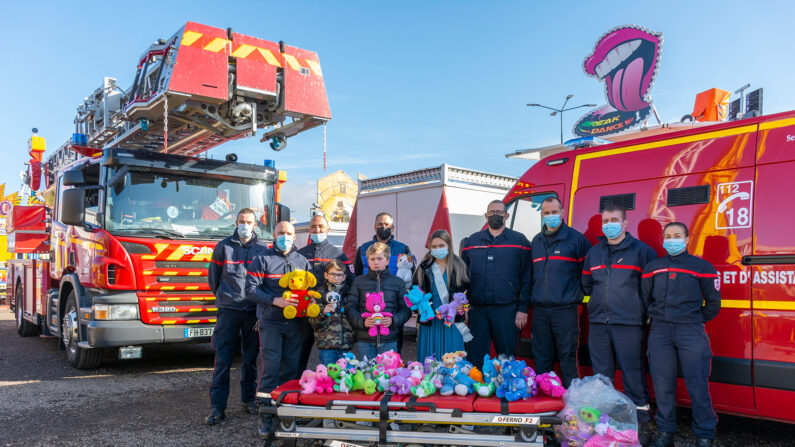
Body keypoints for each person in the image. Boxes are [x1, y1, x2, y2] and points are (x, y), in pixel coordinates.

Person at [581, 205, 657, 442]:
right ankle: (607, 423)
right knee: (602, 376)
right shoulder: (594, 253)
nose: (609, 224)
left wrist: (637, 310)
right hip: (598, 323)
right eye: (605, 220)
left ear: (625, 223)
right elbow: (586, 284)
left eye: (614, 219)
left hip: (628, 323)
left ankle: (642, 423)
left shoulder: (642, 251)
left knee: (632, 372)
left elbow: (650, 288)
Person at [642, 222, 721, 447]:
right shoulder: (652, 267)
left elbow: (713, 303)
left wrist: (693, 319)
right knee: (662, 385)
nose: (672, 240)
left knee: (697, 384)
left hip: (691, 331)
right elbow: (645, 299)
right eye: (668, 236)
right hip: (660, 331)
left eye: (677, 236)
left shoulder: (702, 267)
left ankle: (704, 434)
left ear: (687, 240)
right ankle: (665, 433)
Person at [245, 221, 311, 437]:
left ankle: (286, 411)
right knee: (270, 369)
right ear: (274, 235)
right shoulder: (262, 259)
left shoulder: (302, 260)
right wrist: (275, 301)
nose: (285, 236)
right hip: (271, 323)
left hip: (295, 325)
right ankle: (265, 413)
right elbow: (250, 290)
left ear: (295, 236)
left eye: (289, 233)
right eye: (281, 233)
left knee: (291, 369)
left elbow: (309, 290)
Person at [204, 208, 264, 425]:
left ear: (255, 225)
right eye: (241, 221)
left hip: (252, 313)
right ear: (235, 222)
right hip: (229, 311)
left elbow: (264, 282)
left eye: (249, 222)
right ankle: (217, 408)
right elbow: (214, 280)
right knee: (223, 360)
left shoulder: (262, 250)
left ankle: (248, 400)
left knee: (250, 359)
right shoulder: (223, 247)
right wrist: (225, 299)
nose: (245, 225)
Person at [462, 200, 532, 369]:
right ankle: (477, 390)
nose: (495, 215)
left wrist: (523, 309)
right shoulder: (472, 241)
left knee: (506, 356)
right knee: (475, 355)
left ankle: (506, 391)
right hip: (477, 311)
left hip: (507, 310)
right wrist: (464, 309)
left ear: (506, 216)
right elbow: (463, 279)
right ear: (486, 216)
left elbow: (527, 277)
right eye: (492, 212)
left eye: (499, 212)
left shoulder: (519, 241)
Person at [530, 197, 591, 388]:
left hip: (566, 310)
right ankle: (543, 399)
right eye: (546, 213)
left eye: (554, 212)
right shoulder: (537, 241)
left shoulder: (577, 240)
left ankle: (572, 400)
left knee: (567, 356)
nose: (550, 216)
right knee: (541, 357)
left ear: (562, 213)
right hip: (540, 310)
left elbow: (587, 273)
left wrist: (577, 295)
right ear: (541, 215)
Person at [353, 212, 415, 353]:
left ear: (392, 227)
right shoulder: (363, 248)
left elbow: (410, 273)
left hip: (392, 309)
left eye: (387, 224)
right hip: (367, 309)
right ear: (375, 227)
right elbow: (356, 274)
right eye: (380, 224)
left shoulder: (402, 248)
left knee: (392, 356)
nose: (383, 227)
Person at [297, 214, 352, 372]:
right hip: (305, 313)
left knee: (329, 357)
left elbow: (350, 281)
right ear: (309, 230)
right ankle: (297, 387)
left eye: (320, 226)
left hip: (330, 317)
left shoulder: (339, 255)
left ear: (328, 229)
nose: (317, 229)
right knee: (299, 353)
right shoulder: (300, 254)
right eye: (313, 227)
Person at [412, 229, 471, 361]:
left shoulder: (459, 266)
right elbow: (414, 291)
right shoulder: (423, 267)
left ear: (449, 246)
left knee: (453, 362)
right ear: (430, 248)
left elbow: (468, 292)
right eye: (434, 246)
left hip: (452, 321)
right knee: (429, 362)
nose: (437, 249)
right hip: (430, 321)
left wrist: (464, 308)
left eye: (441, 246)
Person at [346, 242, 411, 359]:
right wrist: (362, 321)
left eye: (379, 258)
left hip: (389, 339)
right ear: (368, 261)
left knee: (388, 374)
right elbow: (350, 307)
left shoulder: (398, 282)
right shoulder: (359, 281)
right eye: (372, 259)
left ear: (387, 261)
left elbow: (406, 309)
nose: (376, 262)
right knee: (367, 374)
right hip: (365, 339)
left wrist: (393, 320)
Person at [309, 260, 355, 365]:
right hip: (326, 345)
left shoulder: (350, 293)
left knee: (345, 378)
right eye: (332, 274)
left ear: (344, 277)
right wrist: (322, 313)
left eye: (339, 275)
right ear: (326, 275)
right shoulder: (319, 294)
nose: (336, 277)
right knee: (329, 377)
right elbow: (313, 322)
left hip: (345, 344)